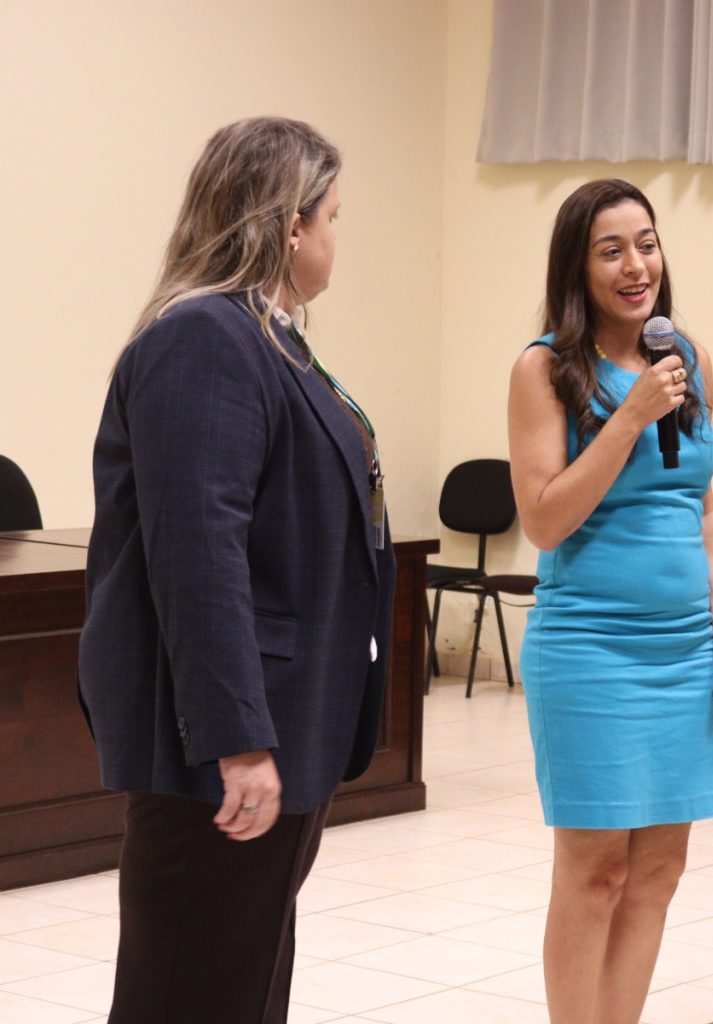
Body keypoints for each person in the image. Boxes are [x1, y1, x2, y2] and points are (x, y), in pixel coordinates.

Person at [77, 116, 396, 1024]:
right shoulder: (205, 339)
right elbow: (198, 554)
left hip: (281, 720)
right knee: (189, 988)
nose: (336, 237)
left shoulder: (268, 338)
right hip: (223, 744)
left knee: (239, 982)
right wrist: (238, 739)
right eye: (332, 217)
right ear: (292, 226)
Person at [507, 178, 713, 1024]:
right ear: (577, 268)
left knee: (657, 871)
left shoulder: (688, 357)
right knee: (596, 871)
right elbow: (545, 519)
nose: (635, 265)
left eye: (646, 244)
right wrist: (628, 416)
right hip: (591, 651)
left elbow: (701, 506)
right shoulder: (545, 369)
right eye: (611, 250)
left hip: (681, 651)